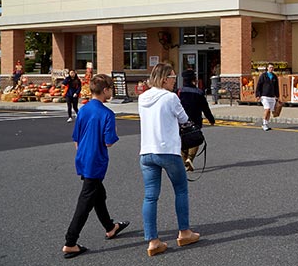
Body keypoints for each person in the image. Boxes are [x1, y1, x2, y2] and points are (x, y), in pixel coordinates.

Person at [60, 74, 129, 259]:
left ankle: (110, 227)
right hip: (96, 160)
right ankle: (70, 242)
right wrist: (114, 132)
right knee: (86, 200)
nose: (112, 92)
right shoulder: (107, 114)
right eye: (111, 89)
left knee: (99, 194)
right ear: (105, 90)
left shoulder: (83, 110)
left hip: (82, 157)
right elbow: (108, 142)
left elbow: (76, 137)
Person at [138, 63, 200, 256]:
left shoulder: (142, 97)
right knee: (180, 190)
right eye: (173, 77)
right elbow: (183, 119)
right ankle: (184, 232)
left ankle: (153, 241)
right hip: (167, 151)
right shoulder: (170, 97)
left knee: (150, 196)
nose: (175, 80)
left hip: (146, 152)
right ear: (165, 78)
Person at [177, 72, 215, 171]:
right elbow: (205, 108)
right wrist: (211, 119)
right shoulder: (199, 92)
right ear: (194, 80)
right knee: (195, 140)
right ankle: (189, 159)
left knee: (183, 141)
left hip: (180, 121)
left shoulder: (178, 91)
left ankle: (184, 162)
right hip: (195, 121)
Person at [255, 63, 279, 131]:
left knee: (270, 111)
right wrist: (258, 95)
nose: (271, 69)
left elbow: (276, 87)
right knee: (267, 109)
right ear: (267, 68)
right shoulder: (263, 76)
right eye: (270, 67)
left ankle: (266, 123)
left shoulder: (274, 76)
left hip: (272, 96)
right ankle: (264, 124)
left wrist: (277, 96)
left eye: (272, 67)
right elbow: (259, 85)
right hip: (264, 95)